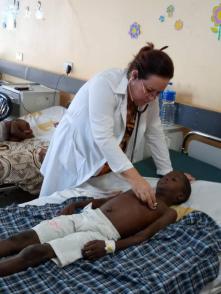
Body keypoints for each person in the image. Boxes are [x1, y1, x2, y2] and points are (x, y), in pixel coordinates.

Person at [40, 43, 178, 208]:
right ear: (134, 75)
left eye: (158, 93)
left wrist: (167, 172)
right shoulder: (105, 83)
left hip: (105, 163)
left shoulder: (150, 98)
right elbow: (103, 136)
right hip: (76, 153)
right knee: (55, 205)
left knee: (89, 208)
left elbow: (155, 132)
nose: (153, 97)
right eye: (149, 90)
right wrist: (136, 179)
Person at [0, 171, 192, 276]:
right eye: (167, 174)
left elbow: (141, 237)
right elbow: (106, 202)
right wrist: (77, 204)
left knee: (36, 252)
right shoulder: (141, 188)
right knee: (21, 238)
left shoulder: (167, 213)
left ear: (180, 195)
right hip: (86, 216)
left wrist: (108, 247)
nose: (167, 177)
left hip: (100, 234)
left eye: (173, 179)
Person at [0, 106, 66, 194]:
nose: (29, 129)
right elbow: (14, 132)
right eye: (27, 126)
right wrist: (27, 135)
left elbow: (14, 137)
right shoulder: (14, 123)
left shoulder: (10, 133)